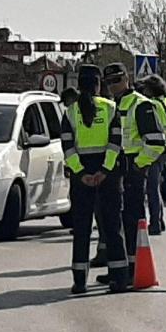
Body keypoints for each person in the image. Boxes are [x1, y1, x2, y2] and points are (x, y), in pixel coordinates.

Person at [59, 65, 129, 294]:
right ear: (99, 84)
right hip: (108, 176)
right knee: (112, 228)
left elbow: (67, 147)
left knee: (81, 229)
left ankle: (80, 281)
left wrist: (81, 173)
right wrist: (104, 171)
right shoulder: (110, 108)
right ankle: (119, 279)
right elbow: (116, 144)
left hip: (82, 179)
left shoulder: (70, 112)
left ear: (78, 85)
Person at [100, 63, 166, 286]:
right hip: (112, 168)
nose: (113, 86)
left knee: (131, 220)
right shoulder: (108, 106)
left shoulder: (142, 105)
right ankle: (117, 268)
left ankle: (134, 268)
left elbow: (157, 142)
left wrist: (138, 165)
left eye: (117, 80)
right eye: (108, 83)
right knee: (111, 221)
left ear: (126, 78)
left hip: (131, 168)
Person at [141, 74, 166, 236]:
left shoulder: (152, 104)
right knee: (155, 187)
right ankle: (159, 220)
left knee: (151, 188)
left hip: (155, 148)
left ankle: (155, 222)